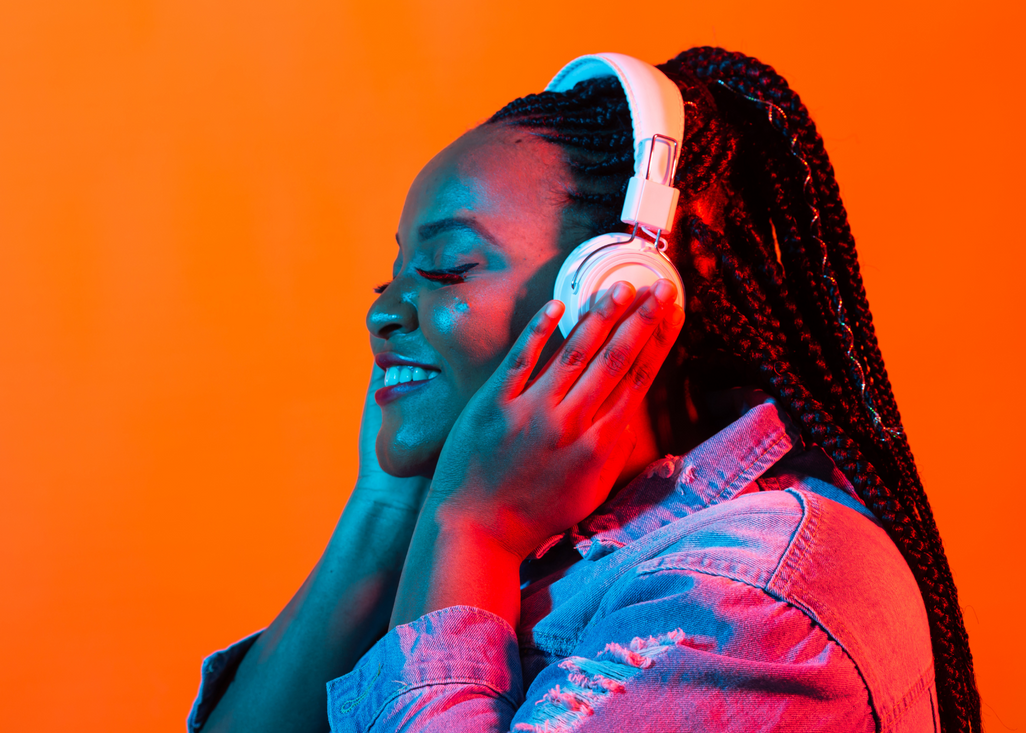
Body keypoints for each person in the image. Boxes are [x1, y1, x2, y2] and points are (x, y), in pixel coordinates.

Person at [189, 47, 981, 733]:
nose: (384, 313)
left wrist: (472, 529)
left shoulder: (748, 601)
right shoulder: (555, 520)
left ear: (619, 292)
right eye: (389, 277)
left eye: (444, 268)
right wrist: (389, 504)